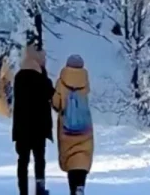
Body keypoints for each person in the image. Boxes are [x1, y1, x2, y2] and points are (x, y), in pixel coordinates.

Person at [13, 43, 54, 195]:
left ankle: (23, 190)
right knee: (39, 160)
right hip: (38, 126)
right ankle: (40, 188)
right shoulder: (41, 77)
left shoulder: (19, 77)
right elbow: (51, 95)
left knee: (22, 160)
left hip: (21, 126)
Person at [52, 54, 94, 195]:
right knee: (82, 156)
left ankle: (73, 190)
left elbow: (57, 104)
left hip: (67, 129)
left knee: (71, 160)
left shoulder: (62, 82)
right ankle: (80, 187)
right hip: (85, 128)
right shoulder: (85, 82)